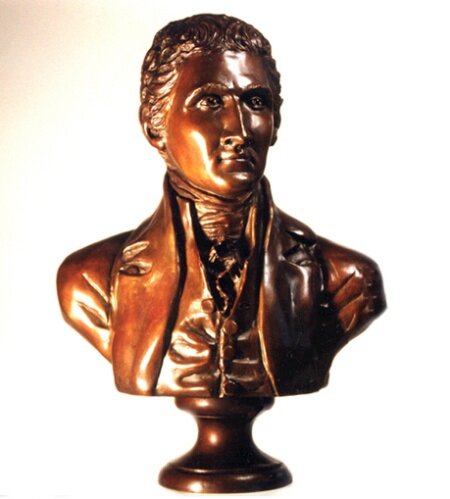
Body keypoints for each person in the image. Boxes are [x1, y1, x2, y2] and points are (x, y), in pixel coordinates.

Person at [57, 14, 386, 398]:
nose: (239, 130)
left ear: (275, 125)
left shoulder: (348, 280)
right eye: (210, 102)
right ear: (154, 127)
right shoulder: (89, 280)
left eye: (255, 102)